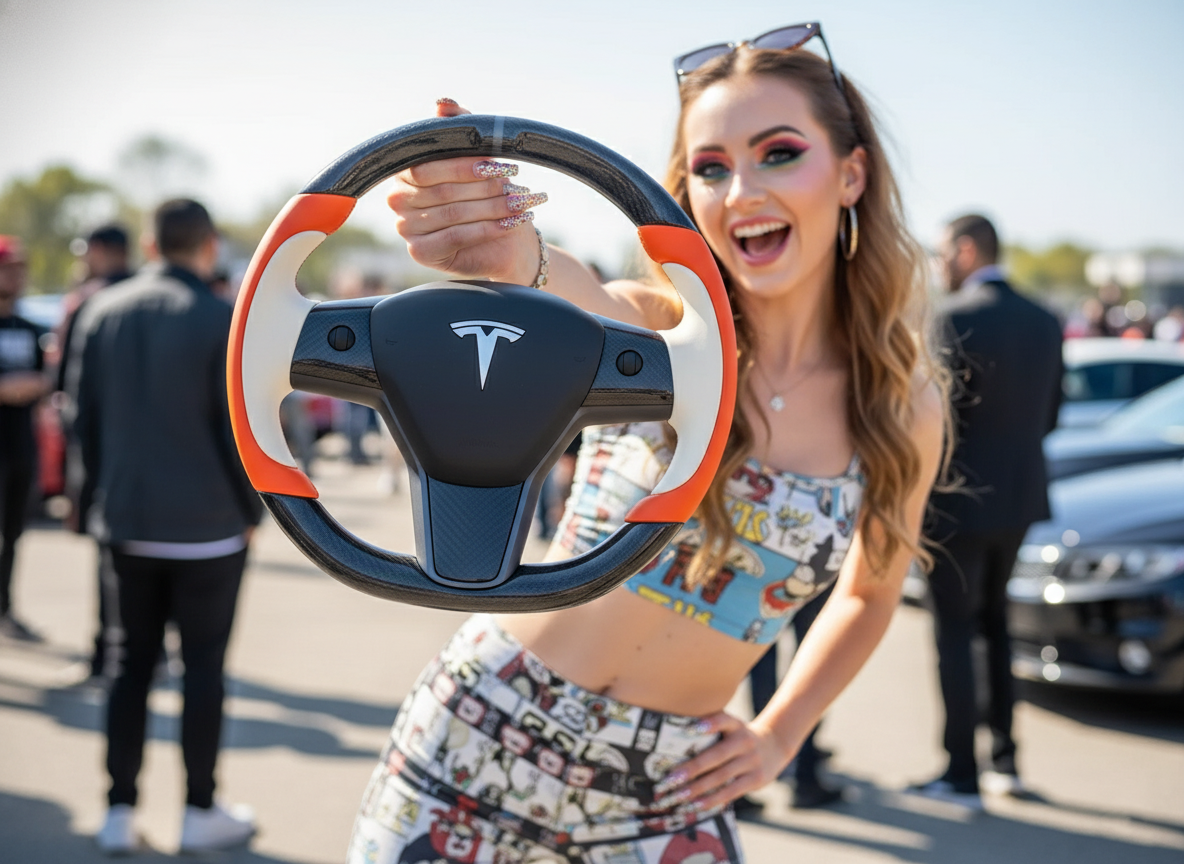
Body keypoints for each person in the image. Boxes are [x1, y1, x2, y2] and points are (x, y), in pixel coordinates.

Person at [353, 26, 949, 863]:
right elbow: (562, 287)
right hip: (475, 741)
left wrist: (780, 734)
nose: (740, 190)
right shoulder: (654, 332)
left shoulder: (900, 405)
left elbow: (870, 594)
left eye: (778, 153)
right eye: (711, 168)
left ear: (851, 174)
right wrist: (510, 249)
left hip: (668, 790)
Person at [71, 199, 263, 854]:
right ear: (208, 245)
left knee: (129, 667)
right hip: (209, 526)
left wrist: (90, 502)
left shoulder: (102, 310)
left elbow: (83, 420)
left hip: (126, 520)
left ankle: (118, 811)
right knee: (203, 670)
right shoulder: (220, 317)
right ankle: (199, 809)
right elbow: (239, 429)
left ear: (151, 245)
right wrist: (252, 510)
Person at [910, 213, 1063, 809]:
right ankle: (1005, 761)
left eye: (943, 252)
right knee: (996, 625)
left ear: (968, 250)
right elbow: (1051, 415)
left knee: (953, 632)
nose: (940, 264)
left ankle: (960, 773)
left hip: (957, 505)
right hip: (1020, 500)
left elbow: (934, 425)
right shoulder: (1045, 319)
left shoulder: (950, 318)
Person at [56, 224, 135, 681]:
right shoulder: (153, 296)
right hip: (155, 457)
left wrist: (78, 475)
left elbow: (72, 395)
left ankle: (107, 653)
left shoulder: (90, 303)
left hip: (106, 457)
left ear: (102, 250)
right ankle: (144, 650)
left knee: (111, 559)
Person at [0, 235, 50, 643]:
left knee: (12, 535)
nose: (15, 276)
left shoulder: (30, 328)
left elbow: (47, 381)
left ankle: (4, 610)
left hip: (20, 449)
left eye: (20, 268)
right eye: (8, 268)